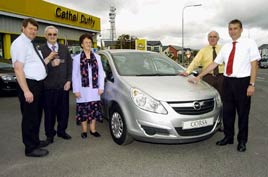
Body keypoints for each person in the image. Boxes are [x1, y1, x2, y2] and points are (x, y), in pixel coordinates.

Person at [189, 19, 260, 152]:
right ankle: (228, 137)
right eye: (230, 29)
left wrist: (252, 84)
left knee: (243, 113)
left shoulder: (249, 43)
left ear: (241, 29)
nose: (232, 31)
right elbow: (214, 64)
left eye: (235, 28)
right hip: (227, 82)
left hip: (243, 82)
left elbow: (254, 65)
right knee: (227, 112)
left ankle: (242, 141)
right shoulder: (227, 47)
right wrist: (199, 76)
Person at [10, 18, 56, 157]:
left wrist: (49, 58)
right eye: (30, 28)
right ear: (23, 28)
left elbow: (36, 64)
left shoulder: (29, 43)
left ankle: (35, 141)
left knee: (36, 116)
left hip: (37, 85)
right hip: (29, 85)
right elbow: (18, 69)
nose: (33, 32)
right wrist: (26, 91)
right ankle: (30, 148)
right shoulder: (19, 44)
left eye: (35, 30)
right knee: (30, 117)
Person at [39, 26, 72, 145]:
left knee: (63, 112)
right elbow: (38, 68)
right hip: (48, 88)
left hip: (63, 87)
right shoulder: (41, 50)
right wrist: (50, 64)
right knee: (49, 113)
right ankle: (50, 135)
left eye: (54, 34)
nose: (52, 36)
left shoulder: (64, 48)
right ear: (45, 36)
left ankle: (61, 131)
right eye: (50, 34)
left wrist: (69, 81)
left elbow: (69, 66)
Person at [72, 33, 105, 139]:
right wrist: (76, 90)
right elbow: (75, 75)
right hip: (82, 89)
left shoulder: (97, 57)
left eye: (90, 42)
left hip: (95, 89)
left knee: (94, 110)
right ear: (81, 44)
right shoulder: (77, 58)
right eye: (86, 42)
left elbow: (101, 73)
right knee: (84, 111)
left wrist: (101, 87)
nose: (88, 44)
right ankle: (84, 131)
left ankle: (93, 130)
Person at [180, 31, 224, 99]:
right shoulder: (203, 50)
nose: (212, 38)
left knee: (223, 98)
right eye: (210, 37)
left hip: (222, 77)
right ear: (208, 39)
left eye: (214, 37)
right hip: (208, 77)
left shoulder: (223, 49)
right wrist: (187, 71)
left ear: (218, 38)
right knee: (208, 98)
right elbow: (195, 62)